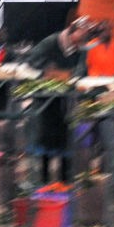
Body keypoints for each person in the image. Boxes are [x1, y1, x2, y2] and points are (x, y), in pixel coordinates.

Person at [24, 18, 92, 186]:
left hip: (66, 100)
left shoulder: (79, 48)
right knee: (45, 139)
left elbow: (81, 68)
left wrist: (76, 76)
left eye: (85, 36)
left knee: (66, 139)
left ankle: (64, 181)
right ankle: (44, 182)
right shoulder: (50, 43)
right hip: (46, 100)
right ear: (71, 30)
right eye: (80, 35)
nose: (82, 40)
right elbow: (33, 62)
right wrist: (50, 72)